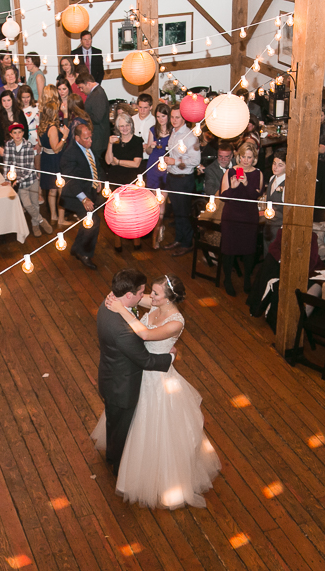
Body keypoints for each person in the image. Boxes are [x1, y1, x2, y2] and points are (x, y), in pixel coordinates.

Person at [91, 274, 220, 507]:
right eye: (149, 291)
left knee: (154, 425)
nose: (150, 296)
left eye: (156, 293)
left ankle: (152, 471)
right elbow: (133, 297)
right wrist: (119, 296)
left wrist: (121, 309)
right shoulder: (156, 302)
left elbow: (146, 334)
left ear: (167, 299)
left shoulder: (176, 322)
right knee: (131, 420)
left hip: (158, 379)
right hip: (139, 373)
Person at [90, 269, 174, 475]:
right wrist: (170, 357)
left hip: (109, 376)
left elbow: (139, 303)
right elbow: (145, 360)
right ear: (129, 295)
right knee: (123, 432)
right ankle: (119, 470)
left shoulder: (108, 303)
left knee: (114, 424)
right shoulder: (123, 331)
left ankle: (111, 456)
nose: (143, 297)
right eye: (140, 293)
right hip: (123, 387)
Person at [219, 143, 262, 297]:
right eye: (243, 156)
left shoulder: (258, 173)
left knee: (249, 250)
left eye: (249, 157)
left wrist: (246, 184)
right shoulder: (230, 172)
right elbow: (223, 197)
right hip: (232, 216)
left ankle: (247, 281)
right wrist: (233, 186)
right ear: (238, 156)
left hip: (249, 217)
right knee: (229, 250)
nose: (245, 160)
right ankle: (228, 281)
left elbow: (254, 196)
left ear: (254, 158)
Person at [59, 123, 104, 270]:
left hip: (89, 190)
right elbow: (70, 180)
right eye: (86, 138)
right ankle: (84, 254)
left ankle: (77, 248)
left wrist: (98, 181)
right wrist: (84, 199)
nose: (90, 140)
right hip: (76, 195)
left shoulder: (88, 147)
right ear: (77, 138)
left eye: (90, 137)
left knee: (89, 221)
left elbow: (95, 166)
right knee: (93, 221)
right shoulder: (70, 153)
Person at [163, 104, 202, 256]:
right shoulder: (174, 132)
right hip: (173, 177)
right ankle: (179, 239)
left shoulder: (190, 136)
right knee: (177, 213)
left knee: (183, 213)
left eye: (177, 117)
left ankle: (187, 243)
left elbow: (196, 160)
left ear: (184, 118)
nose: (173, 120)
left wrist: (175, 162)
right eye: (172, 117)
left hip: (184, 179)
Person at [2, 123, 52, 237]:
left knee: (35, 204)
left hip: (31, 180)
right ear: (11, 135)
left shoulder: (28, 145)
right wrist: (7, 179)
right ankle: (41, 220)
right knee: (27, 204)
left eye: (19, 132)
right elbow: (6, 164)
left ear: (23, 133)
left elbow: (30, 167)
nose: (17, 135)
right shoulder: (9, 146)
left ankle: (35, 225)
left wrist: (17, 180)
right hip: (21, 183)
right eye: (15, 133)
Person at [105, 112, 144, 252]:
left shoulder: (137, 141)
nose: (125, 128)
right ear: (117, 127)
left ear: (131, 125)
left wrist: (119, 162)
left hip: (131, 181)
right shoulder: (115, 141)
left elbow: (136, 164)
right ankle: (117, 242)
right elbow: (109, 161)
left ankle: (136, 240)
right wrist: (109, 145)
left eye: (127, 125)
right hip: (115, 180)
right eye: (121, 126)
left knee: (134, 213)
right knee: (117, 213)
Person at [144, 103, 173, 248]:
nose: (161, 119)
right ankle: (155, 229)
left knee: (161, 203)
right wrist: (151, 146)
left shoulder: (174, 131)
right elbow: (148, 152)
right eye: (158, 116)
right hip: (153, 167)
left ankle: (156, 233)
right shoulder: (152, 130)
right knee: (153, 203)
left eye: (163, 116)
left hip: (166, 168)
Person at [37, 101, 70, 225]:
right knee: (61, 189)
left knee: (52, 190)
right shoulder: (52, 129)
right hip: (55, 160)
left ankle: (54, 216)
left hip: (46, 158)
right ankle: (61, 219)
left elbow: (40, 143)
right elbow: (56, 149)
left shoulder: (41, 126)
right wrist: (64, 137)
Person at [0, 91, 29, 175]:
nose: (6, 103)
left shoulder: (19, 113)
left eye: (8, 100)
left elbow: (25, 132)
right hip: (4, 149)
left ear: (12, 101)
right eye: (4, 101)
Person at [78, 73, 109, 163]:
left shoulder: (98, 94)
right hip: (97, 138)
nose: (81, 90)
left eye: (81, 87)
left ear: (88, 83)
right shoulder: (95, 93)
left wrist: (83, 114)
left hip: (98, 139)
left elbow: (97, 118)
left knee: (98, 167)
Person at [261, 150, 285, 254]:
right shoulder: (272, 178)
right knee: (267, 252)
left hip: (279, 226)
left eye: (280, 165)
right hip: (269, 225)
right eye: (274, 163)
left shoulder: (287, 185)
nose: (275, 167)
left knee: (276, 254)